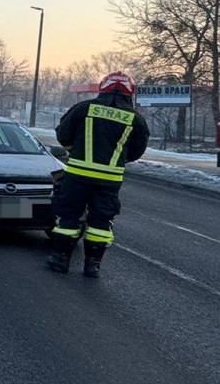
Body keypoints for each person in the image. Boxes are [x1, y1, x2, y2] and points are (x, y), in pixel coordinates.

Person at [46, 71, 150, 278]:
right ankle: (93, 265)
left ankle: (61, 260)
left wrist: (76, 151)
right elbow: (137, 151)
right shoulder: (136, 120)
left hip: (77, 175)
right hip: (110, 180)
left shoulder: (83, 109)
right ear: (130, 93)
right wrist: (116, 159)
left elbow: (62, 134)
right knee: (101, 223)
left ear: (103, 88)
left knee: (68, 217)